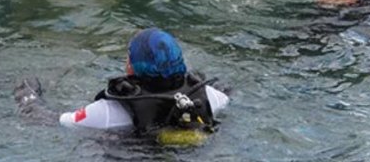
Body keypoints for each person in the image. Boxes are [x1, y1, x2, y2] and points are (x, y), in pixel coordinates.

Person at [15, 28, 229, 142]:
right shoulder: (212, 97)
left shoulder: (108, 111)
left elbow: (47, 119)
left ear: (133, 66)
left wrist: (27, 93)